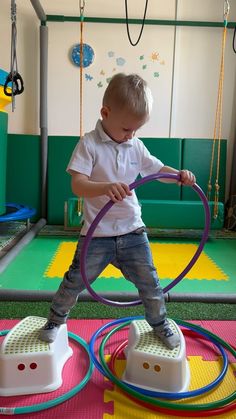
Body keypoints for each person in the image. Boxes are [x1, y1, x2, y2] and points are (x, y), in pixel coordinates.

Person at [40, 73, 196, 348]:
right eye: (126, 129)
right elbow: (78, 184)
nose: (131, 135)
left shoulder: (135, 145)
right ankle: (55, 319)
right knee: (74, 281)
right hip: (97, 234)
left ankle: (160, 324)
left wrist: (178, 174)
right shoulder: (89, 144)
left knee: (151, 283)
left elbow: (156, 170)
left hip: (132, 230)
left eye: (136, 130)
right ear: (105, 113)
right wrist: (104, 187)